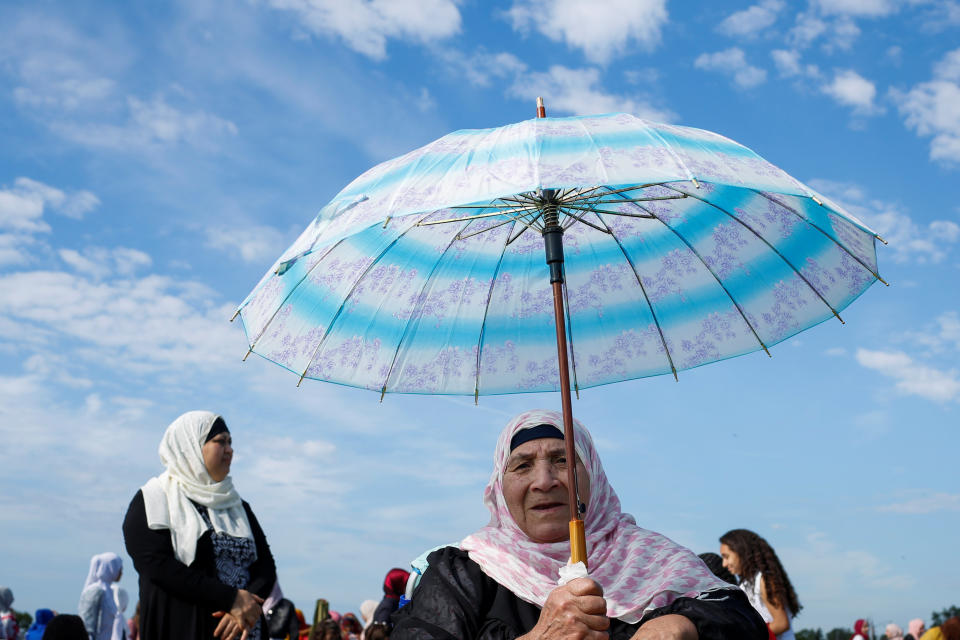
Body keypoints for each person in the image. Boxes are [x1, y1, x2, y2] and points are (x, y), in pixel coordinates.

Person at [392, 409, 768, 640]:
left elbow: (742, 620)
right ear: (498, 487)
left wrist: (679, 626)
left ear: (595, 477)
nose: (544, 481)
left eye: (562, 460)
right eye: (522, 465)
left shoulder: (653, 559)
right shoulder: (463, 573)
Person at [123, 411, 277, 640]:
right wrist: (230, 599)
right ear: (190, 446)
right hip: (185, 628)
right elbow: (156, 566)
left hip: (244, 631)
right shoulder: (154, 498)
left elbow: (265, 566)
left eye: (230, 442)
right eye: (220, 441)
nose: (229, 450)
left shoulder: (237, 505)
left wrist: (246, 604)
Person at [719, 529, 801, 640]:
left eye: (726, 556)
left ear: (741, 552)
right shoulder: (745, 584)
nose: (724, 564)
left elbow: (781, 623)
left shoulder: (764, 579)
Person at [78, 552, 125, 640]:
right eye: (119, 568)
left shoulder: (110, 591)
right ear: (111, 568)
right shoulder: (95, 591)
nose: (121, 572)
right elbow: (87, 625)